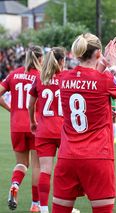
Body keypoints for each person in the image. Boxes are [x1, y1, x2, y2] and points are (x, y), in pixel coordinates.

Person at [52, 33, 116, 213]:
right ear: (98, 53)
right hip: (97, 157)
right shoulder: (105, 79)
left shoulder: (63, 78)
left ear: (78, 53)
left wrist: (101, 65)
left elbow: (86, 81)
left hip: (67, 156)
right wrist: (112, 66)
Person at [28, 47, 79, 213]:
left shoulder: (40, 78)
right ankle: (66, 207)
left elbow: (30, 105)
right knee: (66, 172)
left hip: (44, 130)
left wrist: (33, 122)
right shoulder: (66, 78)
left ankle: (42, 208)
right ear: (62, 61)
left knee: (44, 170)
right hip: (64, 130)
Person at [0, 46, 42, 212]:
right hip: (36, 124)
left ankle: (15, 184)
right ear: (40, 59)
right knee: (37, 166)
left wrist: (10, 108)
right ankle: (35, 204)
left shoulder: (14, 74)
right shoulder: (40, 76)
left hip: (16, 125)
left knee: (21, 163)